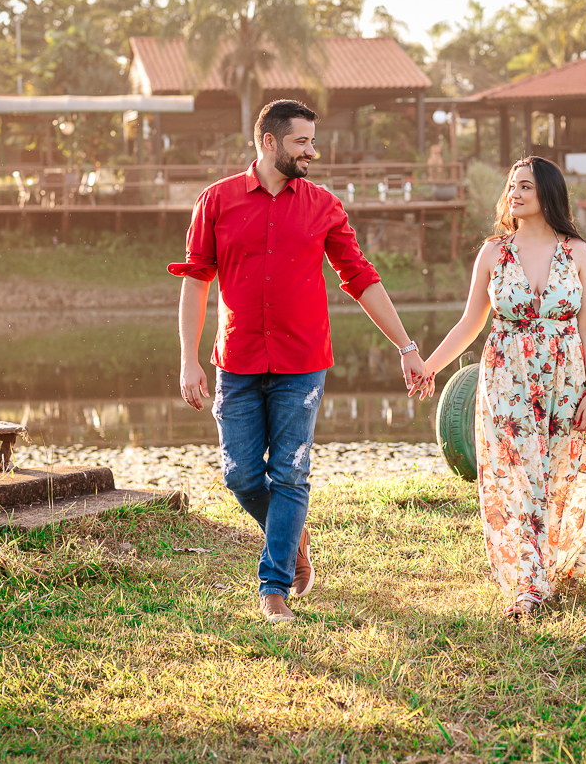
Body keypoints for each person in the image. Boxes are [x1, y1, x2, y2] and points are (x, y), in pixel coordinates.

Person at [170, 99, 427, 623]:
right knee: (241, 476)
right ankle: (292, 532)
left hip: (302, 363)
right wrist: (188, 360)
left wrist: (407, 345)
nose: (313, 151)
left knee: (290, 475)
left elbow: (361, 279)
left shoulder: (324, 206)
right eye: (301, 142)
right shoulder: (215, 202)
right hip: (237, 361)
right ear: (269, 143)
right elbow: (196, 283)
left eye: (312, 140)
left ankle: (274, 587)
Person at [415, 156, 586, 618]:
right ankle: (528, 585)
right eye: (511, 185)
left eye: (526, 187)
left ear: (548, 196)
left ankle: (549, 564)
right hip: (507, 381)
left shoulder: (576, 252)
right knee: (519, 476)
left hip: (565, 378)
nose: (514, 194)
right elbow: (470, 323)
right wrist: (430, 366)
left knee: (556, 473)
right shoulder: (494, 252)